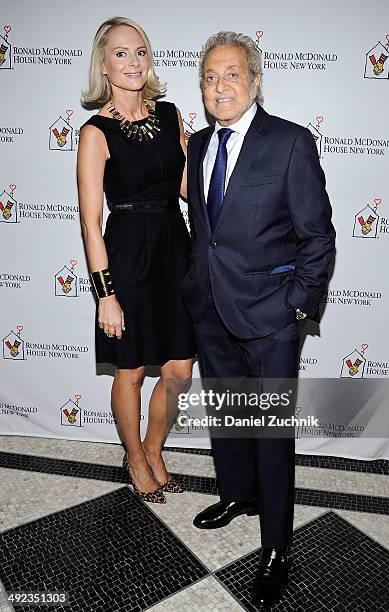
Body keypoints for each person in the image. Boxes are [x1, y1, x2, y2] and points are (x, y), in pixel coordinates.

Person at [182, 31, 336, 605]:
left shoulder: (291, 143)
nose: (220, 87)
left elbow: (318, 237)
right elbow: (208, 231)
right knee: (227, 413)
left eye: (231, 75)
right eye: (209, 77)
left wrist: (297, 305)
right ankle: (235, 494)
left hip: (272, 315)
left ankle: (275, 547)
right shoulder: (196, 145)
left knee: (271, 433)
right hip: (210, 308)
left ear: (255, 81)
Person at [77, 17, 195, 504]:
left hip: (176, 244)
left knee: (179, 369)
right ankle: (134, 456)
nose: (132, 62)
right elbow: (89, 221)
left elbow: (189, 191)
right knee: (129, 370)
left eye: (140, 52)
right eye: (121, 53)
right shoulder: (95, 131)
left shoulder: (170, 115)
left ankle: (153, 446)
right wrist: (106, 295)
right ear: (103, 64)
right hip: (126, 251)